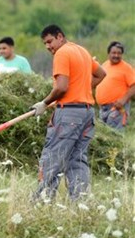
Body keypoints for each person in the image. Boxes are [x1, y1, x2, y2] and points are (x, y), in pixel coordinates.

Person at [30, 24, 106, 201]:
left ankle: (42, 200)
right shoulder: (82, 51)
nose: (48, 47)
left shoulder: (62, 53)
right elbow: (102, 74)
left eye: (50, 41)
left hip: (69, 114)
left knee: (53, 156)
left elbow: (61, 87)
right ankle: (80, 204)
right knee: (77, 159)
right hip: (87, 114)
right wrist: (80, 89)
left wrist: (44, 103)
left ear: (60, 37)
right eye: (45, 44)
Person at [95, 41, 135, 131]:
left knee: (115, 137)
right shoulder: (105, 65)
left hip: (117, 108)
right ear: (109, 53)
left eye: (119, 53)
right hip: (103, 109)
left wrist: (123, 100)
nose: (116, 55)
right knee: (106, 138)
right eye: (114, 53)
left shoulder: (126, 68)